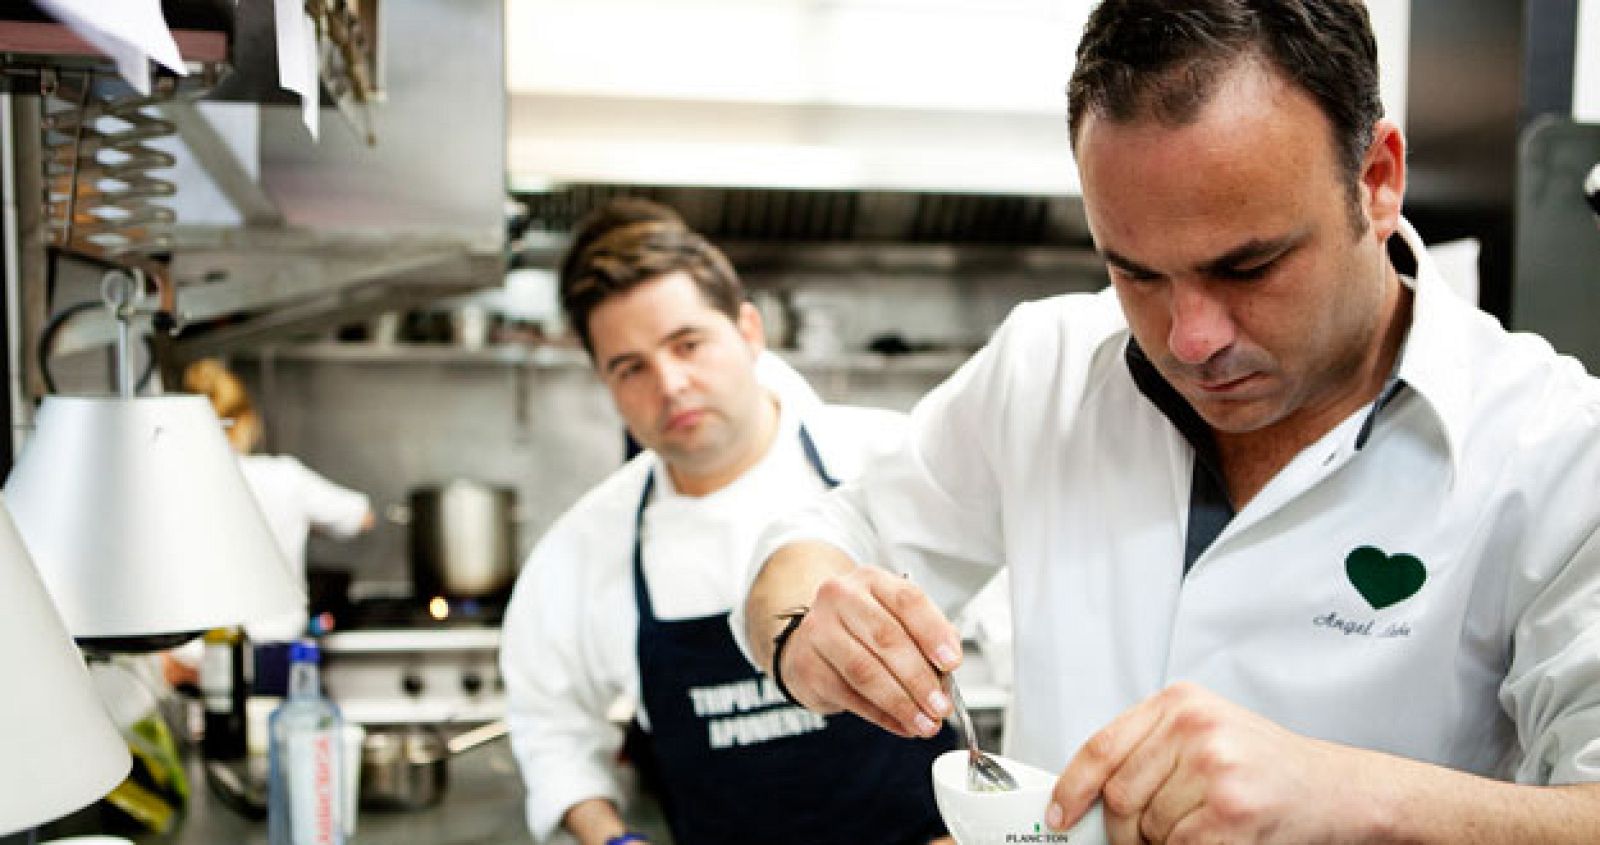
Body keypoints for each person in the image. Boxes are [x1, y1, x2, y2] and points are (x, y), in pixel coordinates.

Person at [735, 1, 1600, 841]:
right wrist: (805, 625)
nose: (1191, 340)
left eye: (1249, 266)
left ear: (1376, 180)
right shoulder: (1046, 366)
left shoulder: (1555, 451)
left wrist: (1361, 795)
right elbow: (824, 533)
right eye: (1136, 273)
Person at [499, 198, 955, 845]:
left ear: (748, 329)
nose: (671, 383)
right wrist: (612, 837)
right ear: (605, 383)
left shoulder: (891, 463)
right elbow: (553, 730)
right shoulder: (582, 547)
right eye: (630, 367)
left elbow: (1030, 651)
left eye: (687, 343)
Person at [181, 359, 374, 646]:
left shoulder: (178, 485)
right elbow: (362, 516)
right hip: (275, 652)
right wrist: (304, 520)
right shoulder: (285, 478)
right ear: (246, 420)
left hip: (199, 657)